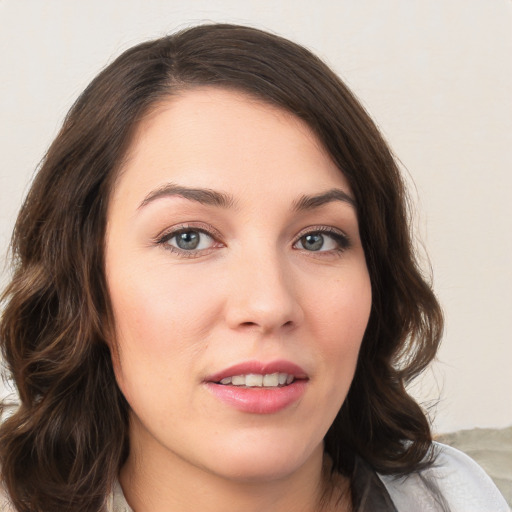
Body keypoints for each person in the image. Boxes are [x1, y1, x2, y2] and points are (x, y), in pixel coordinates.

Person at [0, 23, 508, 512]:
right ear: (86, 285)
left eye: (316, 239)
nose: (269, 304)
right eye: (188, 237)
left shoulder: (462, 495)